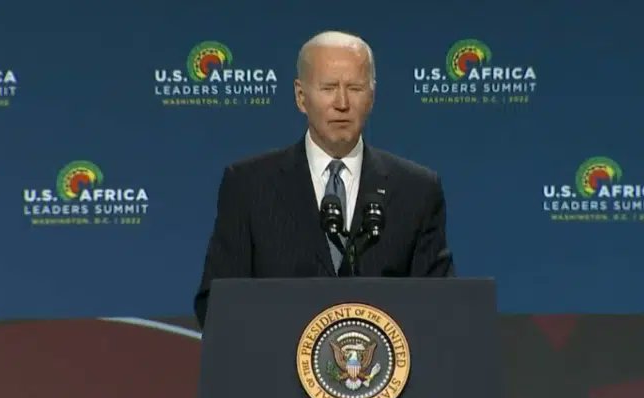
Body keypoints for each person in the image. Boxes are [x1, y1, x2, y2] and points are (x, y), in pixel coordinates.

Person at [194, 31, 454, 328]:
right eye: (329, 88)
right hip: (276, 357)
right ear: (301, 96)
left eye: (355, 88)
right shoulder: (248, 186)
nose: (342, 103)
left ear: (372, 96)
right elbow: (216, 303)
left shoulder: (417, 190)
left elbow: (442, 308)